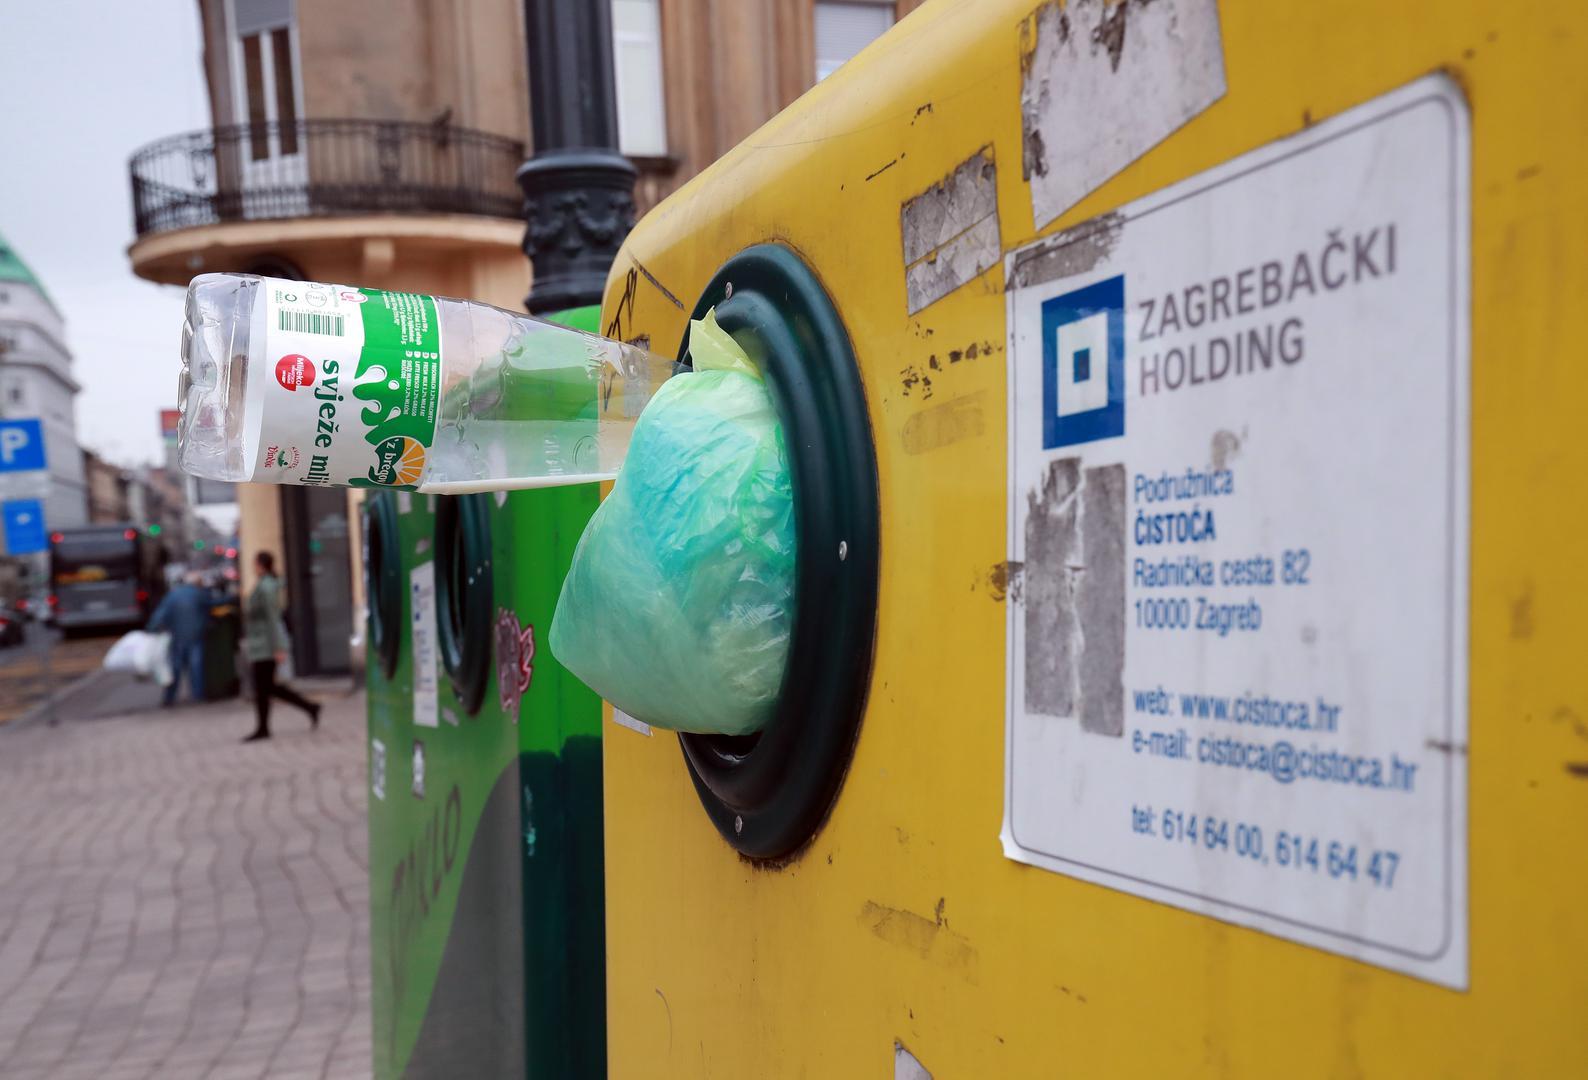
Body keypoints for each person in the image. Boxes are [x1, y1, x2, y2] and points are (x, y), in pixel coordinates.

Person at [241, 551, 320, 741]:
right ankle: (308, 707)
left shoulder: (266, 586)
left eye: (255, 563)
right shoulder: (264, 584)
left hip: (266, 646)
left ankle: (264, 728)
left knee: (264, 689)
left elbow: (272, 618)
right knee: (267, 688)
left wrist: (278, 647)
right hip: (262, 644)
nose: (253, 567)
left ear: (260, 565)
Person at [146, 571, 213, 707]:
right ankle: (198, 695)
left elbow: (161, 613)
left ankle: (169, 698)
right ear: (197, 583)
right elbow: (213, 603)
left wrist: (151, 629)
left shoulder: (173, 594)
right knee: (196, 667)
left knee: (175, 669)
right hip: (195, 636)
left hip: (177, 637)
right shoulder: (199, 594)